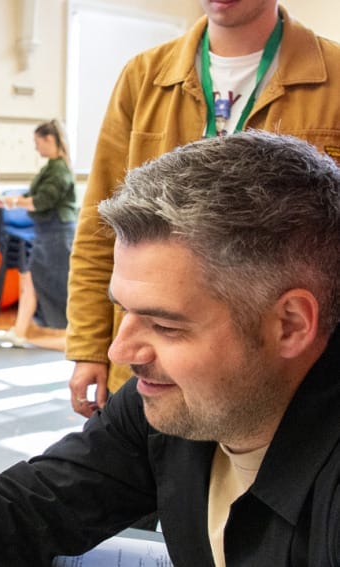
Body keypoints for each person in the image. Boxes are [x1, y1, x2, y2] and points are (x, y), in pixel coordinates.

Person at [0, 131, 340, 567]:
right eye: (124, 312)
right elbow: (31, 502)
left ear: (290, 325)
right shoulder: (169, 403)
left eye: (165, 325)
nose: (121, 351)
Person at [66, 0, 340, 418]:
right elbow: (100, 221)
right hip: (159, 355)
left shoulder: (334, 75)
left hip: (286, 367)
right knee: (154, 474)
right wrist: (89, 346)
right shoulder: (144, 76)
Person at [0, 120, 77, 351]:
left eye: (38, 142)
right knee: (29, 282)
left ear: (49, 139)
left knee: (58, 284)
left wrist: (14, 202)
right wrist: (11, 201)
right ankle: (19, 332)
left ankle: (75, 335)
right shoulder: (50, 168)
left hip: (57, 235)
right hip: (45, 233)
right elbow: (31, 195)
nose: (36, 148)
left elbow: (40, 201)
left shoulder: (60, 170)